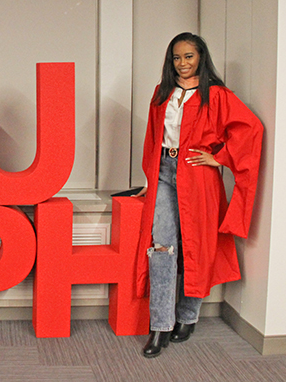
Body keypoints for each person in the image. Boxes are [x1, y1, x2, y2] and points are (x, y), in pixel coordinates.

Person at [135, 32, 263, 358]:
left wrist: (219, 158)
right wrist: (151, 178)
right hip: (164, 171)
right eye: (177, 57)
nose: (183, 63)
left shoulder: (216, 95)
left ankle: (188, 317)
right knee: (163, 246)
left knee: (197, 243)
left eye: (189, 56)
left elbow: (251, 129)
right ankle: (160, 326)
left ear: (201, 57)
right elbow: (152, 138)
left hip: (197, 175)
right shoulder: (161, 93)